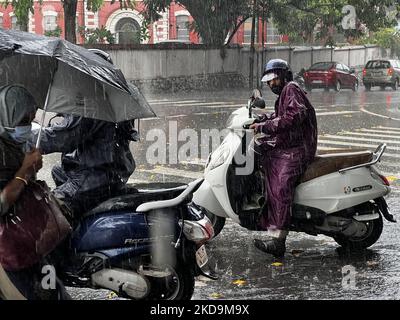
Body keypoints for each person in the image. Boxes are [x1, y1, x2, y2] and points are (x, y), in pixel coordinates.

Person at [33, 49, 138, 216]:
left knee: (45, 212)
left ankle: (67, 236)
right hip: (112, 173)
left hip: (92, 179)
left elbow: (65, 138)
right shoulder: (110, 97)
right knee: (57, 170)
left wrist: (23, 138)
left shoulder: (92, 103)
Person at [0, 84, 68, 299]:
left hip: (29, 241)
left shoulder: (17, 143)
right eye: (22, 121)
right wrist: (24, 172)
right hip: (7, 249)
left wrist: (31, 169)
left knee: (55, 293)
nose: (28, 127)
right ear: (5, 116)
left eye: (31, 119)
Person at [250, 59, 318, 258]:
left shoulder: (291, 89)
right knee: (263, 154)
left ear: (283, 76)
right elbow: (282, 114)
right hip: (290, 144)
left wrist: (265, 127)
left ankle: (278, 240)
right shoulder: (287, 92)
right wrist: (262, 119)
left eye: (274, 79)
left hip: (298, 149)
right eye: (269, 81)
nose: (271, 84)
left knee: (280, 185)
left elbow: (293, 116)